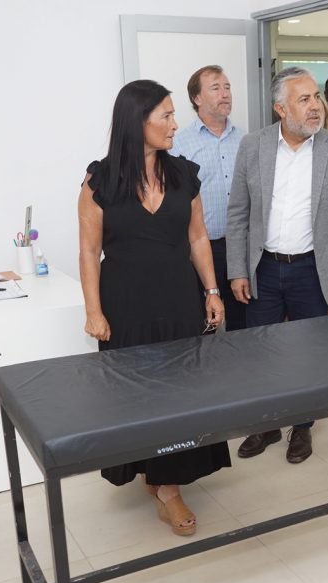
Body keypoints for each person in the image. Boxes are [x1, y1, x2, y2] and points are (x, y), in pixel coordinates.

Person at [78, 79, 230, 536]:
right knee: (136, 396)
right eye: (165, 115)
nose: (174, 123)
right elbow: (89, 251)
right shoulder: (100, 181)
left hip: (178, 300)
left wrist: (212, 291)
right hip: (124, 306)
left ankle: (168, 486)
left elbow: (198, 238)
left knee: (181, 394)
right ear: (136, 122)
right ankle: (155, 476)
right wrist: (93, 311)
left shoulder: (184, 174)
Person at [225, 66, 328, 464]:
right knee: (262, 353)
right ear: (281, 109)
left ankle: (302, 427)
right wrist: (238, 270)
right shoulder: (253, 146)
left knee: (310, 355)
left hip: (313, 271)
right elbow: (238, 213)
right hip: (264, 269)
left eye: (317, 96)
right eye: (304, 99)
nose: (315, 105)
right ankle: (266, 424)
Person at [169, 65, 247, 331]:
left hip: (240, 248)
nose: (225, 94)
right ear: (197, 98)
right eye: (215, 88)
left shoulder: (246, 140)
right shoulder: (178, 145)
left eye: (227, 87)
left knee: (243, 326)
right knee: (204, 325)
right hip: (199, 250)